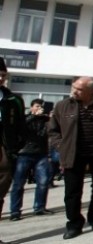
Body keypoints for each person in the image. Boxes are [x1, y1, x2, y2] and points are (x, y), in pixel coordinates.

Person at [48, 76, 93, 240]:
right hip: (73, 154)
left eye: (79, 89)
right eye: (74, 87)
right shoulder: (63, 106)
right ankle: (74, 224)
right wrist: (61, 146)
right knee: (72, 191)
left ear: (91, 91)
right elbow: (53, 131)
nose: (74, 91)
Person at [9, 98, 53, 220]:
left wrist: (49, 117)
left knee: (43, 182)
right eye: (37, 106)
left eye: (42, 107)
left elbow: (50, 131)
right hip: (24, 153)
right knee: (18, 184)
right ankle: (15, 211)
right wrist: (34, 116)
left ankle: (39, 207)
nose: (40, 109)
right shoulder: (25, 118)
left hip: (41, 154)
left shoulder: (46, 120)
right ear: (31, 107)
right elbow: (21, 128)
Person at [0, 57, 27, 240]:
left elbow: (21, 127)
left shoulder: (13, 100)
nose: (0, 78)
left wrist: (14, 149)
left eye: (2, 75)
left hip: (4, 151)